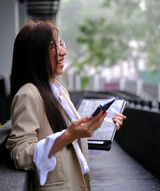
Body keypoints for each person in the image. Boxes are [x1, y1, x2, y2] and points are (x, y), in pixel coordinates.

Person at [6, 20, 126, 191]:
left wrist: (103, 126)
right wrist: (68, 135)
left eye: (61, 44)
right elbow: (21, 154)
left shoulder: (59, 91)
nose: (63, 52)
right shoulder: (28, 94)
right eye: (53, 47)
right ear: (36, 54)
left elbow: (70, 142)